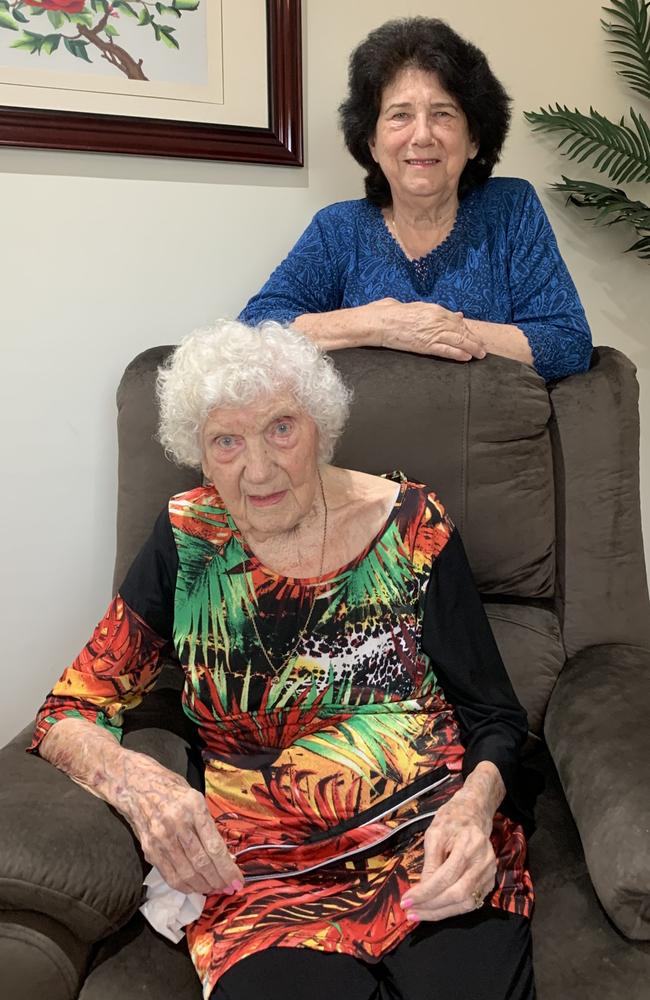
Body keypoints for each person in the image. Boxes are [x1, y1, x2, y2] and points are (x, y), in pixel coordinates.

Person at [30, 320, 535, 1000]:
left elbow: (494, 715)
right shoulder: (187, 541)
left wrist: (474, 813)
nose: (258, 469)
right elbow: (68, 710)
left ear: (320, 429)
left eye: (281, 429)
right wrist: (139, 784)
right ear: (201, 456)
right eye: (227, 441)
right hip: (265, 875)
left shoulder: (413, 524)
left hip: (430, 842)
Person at [239, 17, 592, 383]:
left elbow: (568, 344)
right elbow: (254, 331)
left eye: (442, 114)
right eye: (400, 115)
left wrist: (438, 329)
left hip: (489, 436)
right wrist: (380, 325)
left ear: (473, 139)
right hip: (370, 438)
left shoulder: (510, 209)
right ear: (372, 142)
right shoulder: (338, 229)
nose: (422, 135)